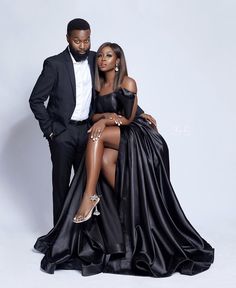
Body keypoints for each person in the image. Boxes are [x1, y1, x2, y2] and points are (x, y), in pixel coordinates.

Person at [34, 42, 214, 277]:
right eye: (100, 56)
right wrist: (103, 117)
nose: (102, 59)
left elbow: (128, 118)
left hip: (135, 134)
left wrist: (105, 121)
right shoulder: (99, 85)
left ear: (118, 61)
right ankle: (132, 203)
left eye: (108, 56)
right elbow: (96, 113)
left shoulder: (128, 82)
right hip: (114, 131)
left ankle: (89, 198)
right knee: (106, 161)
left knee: (94, 138)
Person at [29, 19, 156, 225]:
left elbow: (114, 90)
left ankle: (85, 238)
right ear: (68, 39)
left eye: (87, 40)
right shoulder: (54, 64)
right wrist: (51, 131)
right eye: (78, 41)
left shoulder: (95, 59)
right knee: (61, 185)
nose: (83, 45)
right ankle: (61, 236)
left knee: (90, 182)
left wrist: (139, 113)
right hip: (63, 132)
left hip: (89, 131)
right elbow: (36, 100)